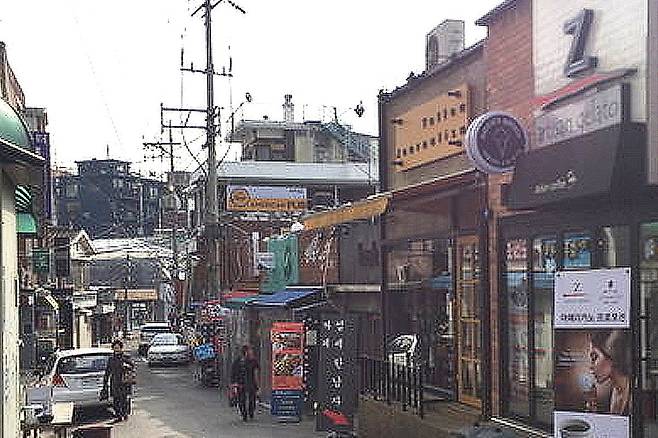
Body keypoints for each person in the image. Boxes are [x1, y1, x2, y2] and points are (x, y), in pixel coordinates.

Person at [589, 330, 631, 415]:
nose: (590, 367)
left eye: (594, 357)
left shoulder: (637, 392)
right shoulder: (608, 394)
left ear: (612, 355)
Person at [103, 339, 135, 422]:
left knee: (124, 400)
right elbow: (108, 371)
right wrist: (105, 382)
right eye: (115, 348)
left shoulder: (126, 357)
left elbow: (132, 366)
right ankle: (118, 416)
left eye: (118, 348)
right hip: (115, 381)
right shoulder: (111, 359)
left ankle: (125, 414)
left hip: (124, 381)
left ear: (121, 348)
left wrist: (126, 366)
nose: (116, 350)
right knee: (116, 401)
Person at [230, 345, 260, 421]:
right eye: (250, 350)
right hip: (246, 383)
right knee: (244, 399)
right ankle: (247, 414)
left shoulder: (249, 361)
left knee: (246, 399)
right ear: (246, 352)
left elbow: (233, 373)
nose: (251, 352)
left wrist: (233, 383)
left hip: (246, 383)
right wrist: (234, 383)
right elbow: (233, 373)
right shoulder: (250, 361)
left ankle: (247, 414)